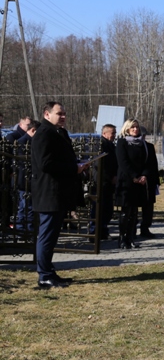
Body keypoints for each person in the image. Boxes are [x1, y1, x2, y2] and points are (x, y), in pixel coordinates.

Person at [31, 102, 87, 289]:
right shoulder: (44, 134)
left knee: (52, 235)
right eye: (59, 113)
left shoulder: (58, 132)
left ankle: (48, 271)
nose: (63, 117)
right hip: (49, 193)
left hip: (59, 193)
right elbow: (46, 164)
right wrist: (73, 168)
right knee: (46, 236)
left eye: (64, 113)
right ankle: (44, 275)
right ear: (46, 114)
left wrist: (77, 164)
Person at [114, 119, 159, 249]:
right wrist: (134, 176)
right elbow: (123, 162)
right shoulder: (122, 142)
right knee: (126, 211)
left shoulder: (142, 144)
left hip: (140, 181)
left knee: (134, 212)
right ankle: (122, 238)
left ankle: (131, 237)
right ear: (127, 129)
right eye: (132, 127)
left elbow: (149, 162)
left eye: (137, 127)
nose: (135, 129)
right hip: (127, 181)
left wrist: (144, 176)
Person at [88, 124, 118, 240]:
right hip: (100, 181)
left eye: (115, 133)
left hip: (109, 182)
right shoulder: (100, 144)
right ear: (104, 133)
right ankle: (93, 233)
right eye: (112, 133)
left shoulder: (111, 145)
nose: (114, 135)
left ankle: (103, 230)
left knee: (107, 209)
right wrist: (110, 177)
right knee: (98, 208)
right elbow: (100, 164)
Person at [14, 120, 40, 232]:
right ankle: (25, 229)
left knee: (26, 205)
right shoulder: (23, 142)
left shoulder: (30, 141)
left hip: (29, 178)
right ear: (33, 130)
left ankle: (25, 228)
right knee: (26, 206)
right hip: (24, 178)